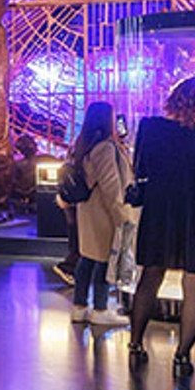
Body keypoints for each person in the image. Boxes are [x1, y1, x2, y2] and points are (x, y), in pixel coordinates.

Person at [126, 78, 195, 377]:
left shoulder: (150, 128)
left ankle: (135, 343)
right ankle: (182, 356)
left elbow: (140, 169)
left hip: (159, 211)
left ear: (175, 98)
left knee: (150, 276)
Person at [61, 102, 131, 326]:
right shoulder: (105, 148)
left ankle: (79, 306)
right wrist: (121, 215)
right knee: (104, 260)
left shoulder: (82, 145)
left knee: (87, 258)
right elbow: (111, 186)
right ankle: (100, 308)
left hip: (86, 209)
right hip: (104, 212)